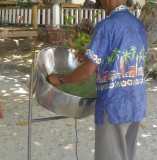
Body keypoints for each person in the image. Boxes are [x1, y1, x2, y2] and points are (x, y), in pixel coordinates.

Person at [47, 0, 147, 159]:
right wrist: (88, 58)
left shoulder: (107, 25)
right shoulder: (137, 24)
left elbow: (86, 71)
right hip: (136, 101)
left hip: (114, 104)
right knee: (126, 155)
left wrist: (60, 78)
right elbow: (122, 62)